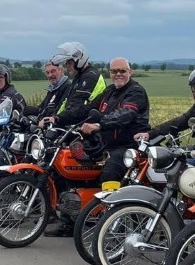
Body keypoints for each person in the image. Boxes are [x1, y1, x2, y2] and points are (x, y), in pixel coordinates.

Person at [44, 57, 149, 237]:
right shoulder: (110, 91)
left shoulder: (136, 92)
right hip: (104, 143)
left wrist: (99, 125)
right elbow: (87, 110)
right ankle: (71, 221)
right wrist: (58, 119)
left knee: (108, 173)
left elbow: (124, 114)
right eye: (114, 71)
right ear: (110, 73)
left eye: (122, 71)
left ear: (129, 72)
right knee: (72, 165)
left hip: (128, 146)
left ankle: (114, 225)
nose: (118, 74)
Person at [39, 42, 105, 129]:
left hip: (88, 126)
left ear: (79, 60)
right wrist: (54, 116)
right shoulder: (79, 77)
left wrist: (56, 118)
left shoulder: (90, 76)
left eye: (69, 63)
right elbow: (66, 104)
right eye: (66, 63)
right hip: (78, 125)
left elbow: (77, 107)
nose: (67, 66)